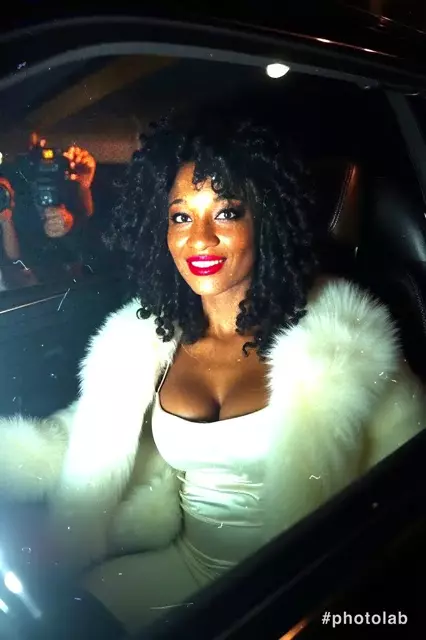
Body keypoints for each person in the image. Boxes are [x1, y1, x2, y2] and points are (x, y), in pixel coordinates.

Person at [0, 113, 424, 634]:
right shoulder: (144, 341)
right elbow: (81, 436)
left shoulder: (343, 346)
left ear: (264, 218)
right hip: (180, 565)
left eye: (225, 212)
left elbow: (411, 489)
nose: (198, 238)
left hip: (296, 592)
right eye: (180, 216)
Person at [10, 143, 96, 276]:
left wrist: (83, 187)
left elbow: (93, 243)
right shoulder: (13, 191)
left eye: (55, 158)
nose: (45, 162)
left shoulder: (71, 190)